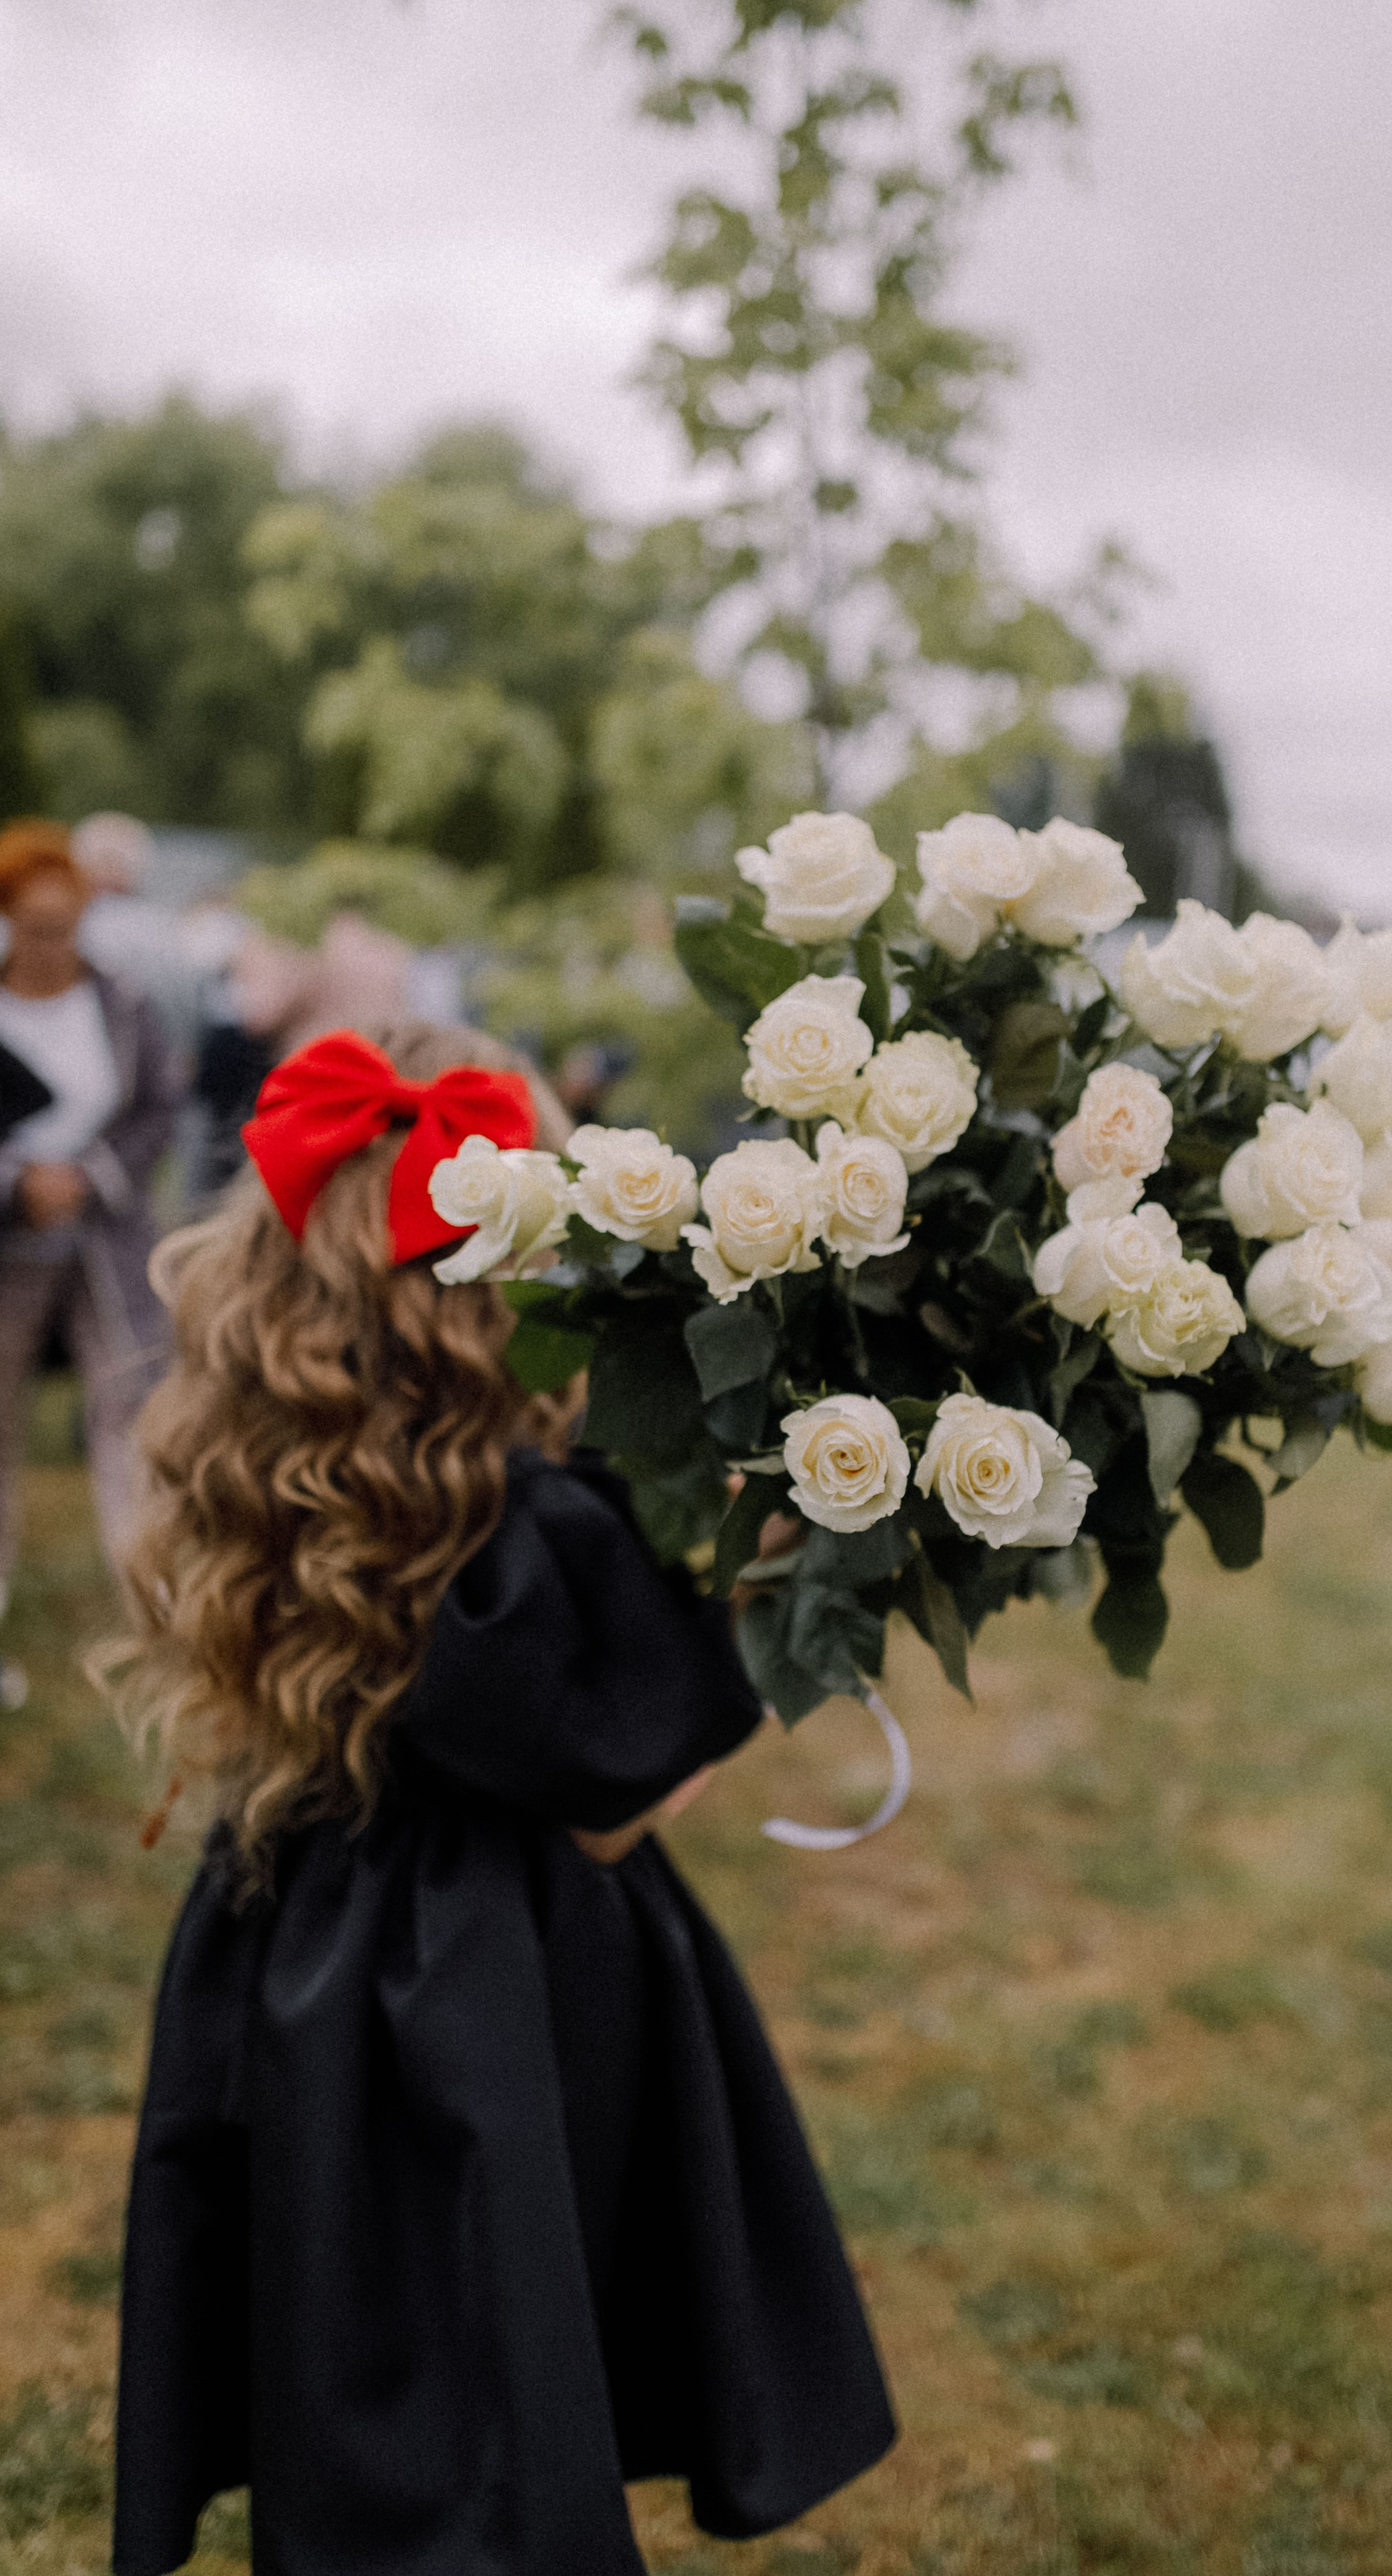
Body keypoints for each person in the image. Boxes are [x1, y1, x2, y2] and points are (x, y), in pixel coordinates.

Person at [107, 1022, 895, 2576]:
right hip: (483, 1981)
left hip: (289, 1939)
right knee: (487, 2366)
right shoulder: (529, 1529)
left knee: (355, 2358)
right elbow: (609, 1800)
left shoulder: (280, 1459)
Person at [0, 820, 182, 1651]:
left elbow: (157, 1107)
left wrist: (89, 1177)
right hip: (12, 1239)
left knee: (131, 1405)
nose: (52, 943)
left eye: (65, 925)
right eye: (36, 927)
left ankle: (147, 1594)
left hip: (104, 1236)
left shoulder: (121, 1000)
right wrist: (19, 1183)